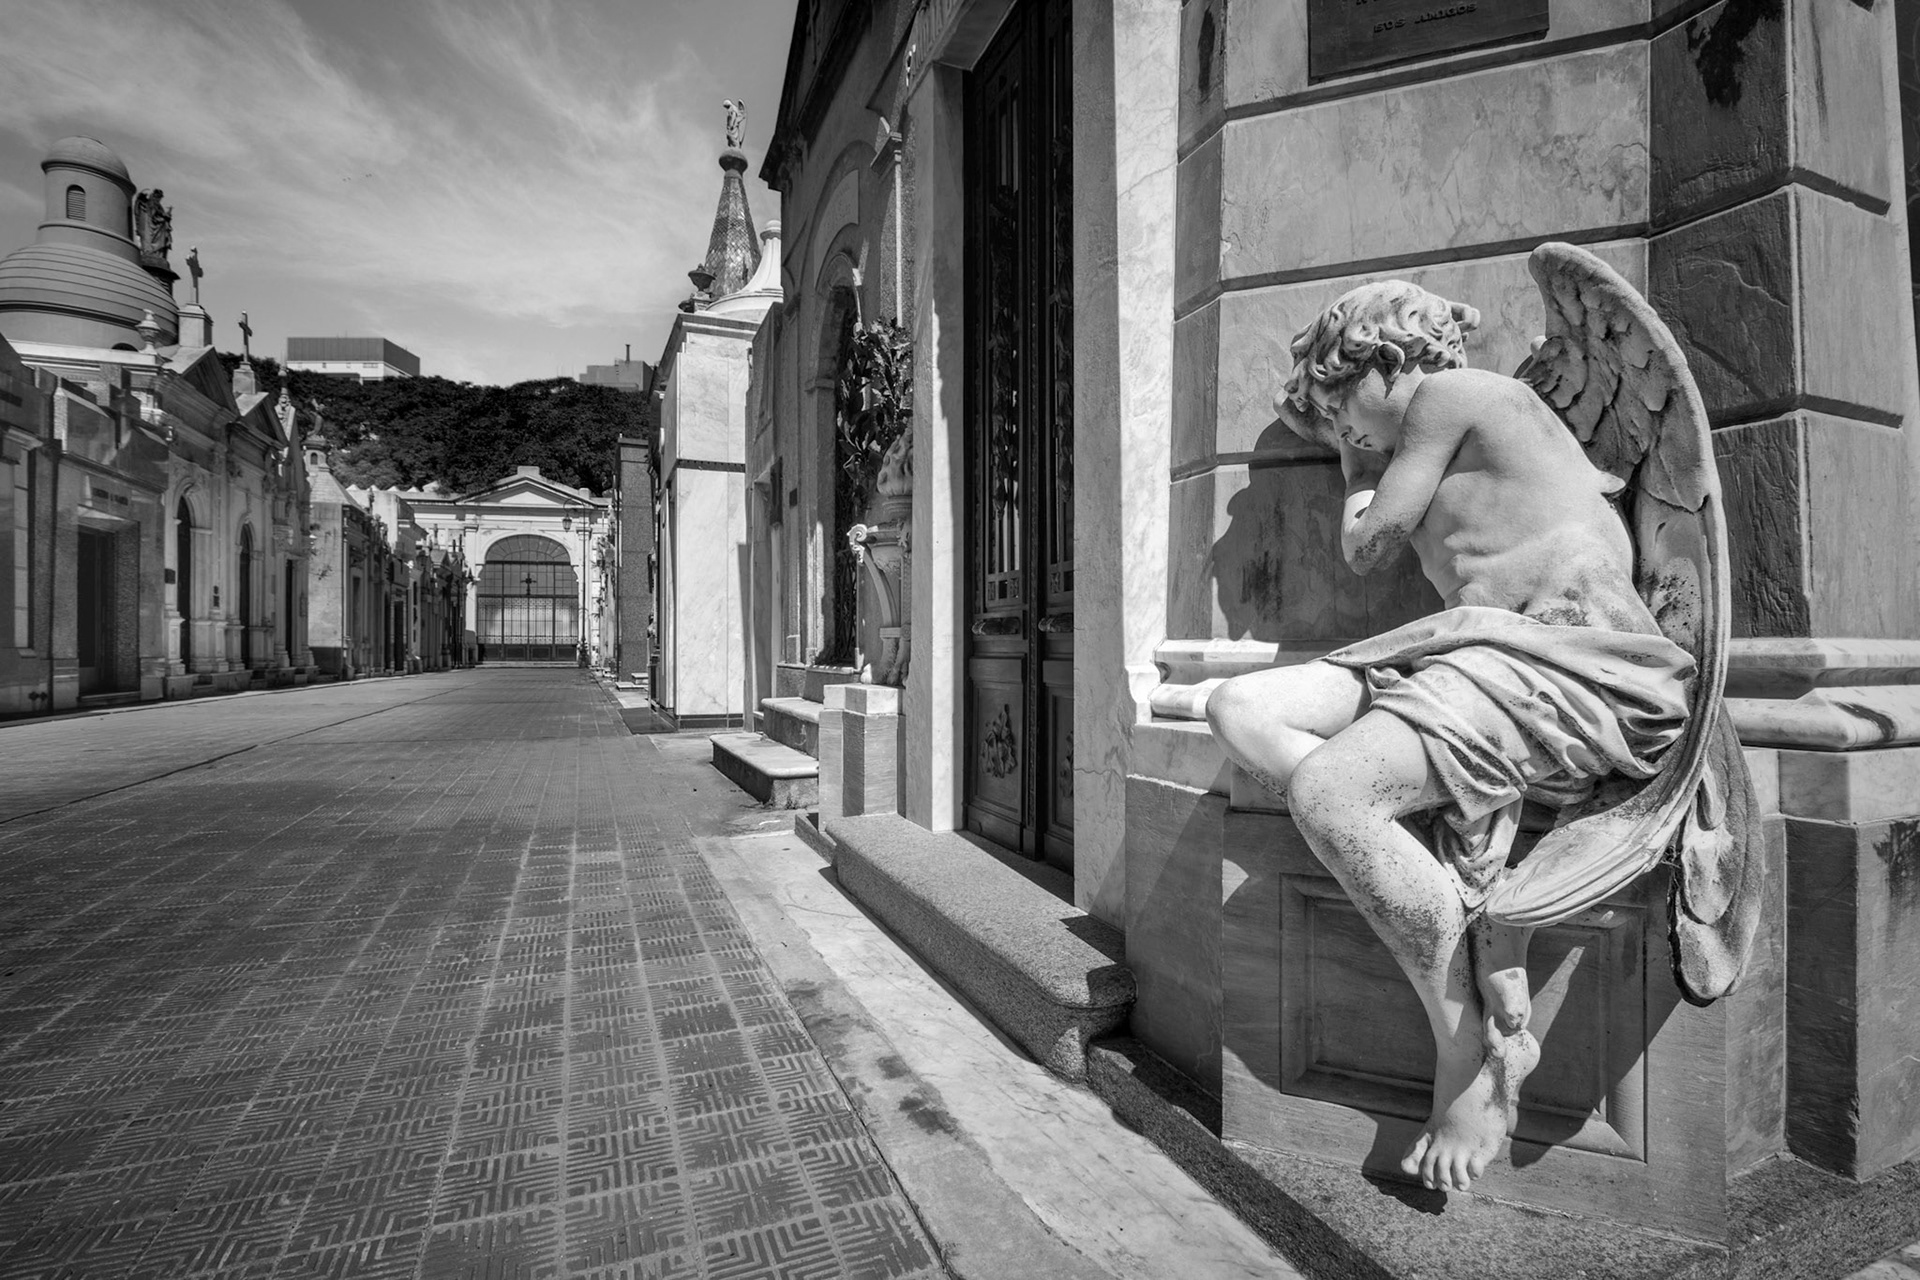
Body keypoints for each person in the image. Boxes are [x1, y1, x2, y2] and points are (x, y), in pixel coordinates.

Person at [1205, 282, 1693, 1194]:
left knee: (1329, 794)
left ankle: (1472, 1046)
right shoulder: (1458, 423)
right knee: (1238, 709)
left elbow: (1368, 545)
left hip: (1568, 660)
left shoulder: (1449, 398)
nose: (1350, 443)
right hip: (1477, 659)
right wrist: (1356, 455)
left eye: (1342, 419)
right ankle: (1451, 892)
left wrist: (1356, 474)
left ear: (1380, 361)